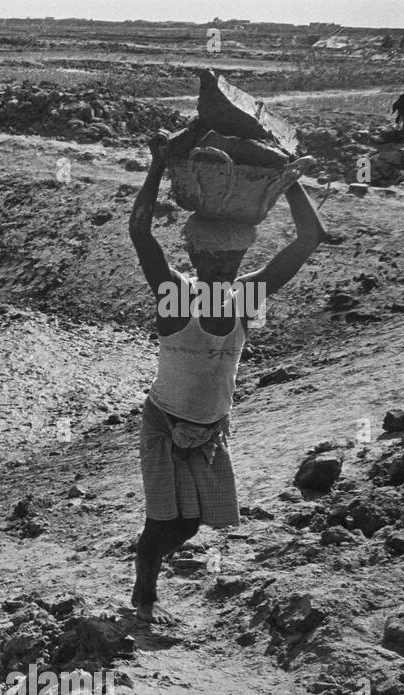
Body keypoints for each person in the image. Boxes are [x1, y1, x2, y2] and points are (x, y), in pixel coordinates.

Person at [126, 131, 326, 625]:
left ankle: (146, 565)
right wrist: (155, 166)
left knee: (191, 524)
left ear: (241, 261)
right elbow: (141, 233)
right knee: (161, 523)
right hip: (164, 422)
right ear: (194, 257)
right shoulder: (173, 295)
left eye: (230, 261)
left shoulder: (244, 297)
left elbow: (310, 239)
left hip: (212, 424)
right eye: (212, 260)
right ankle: (145, 592)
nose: (221, 267)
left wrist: (289, 181)